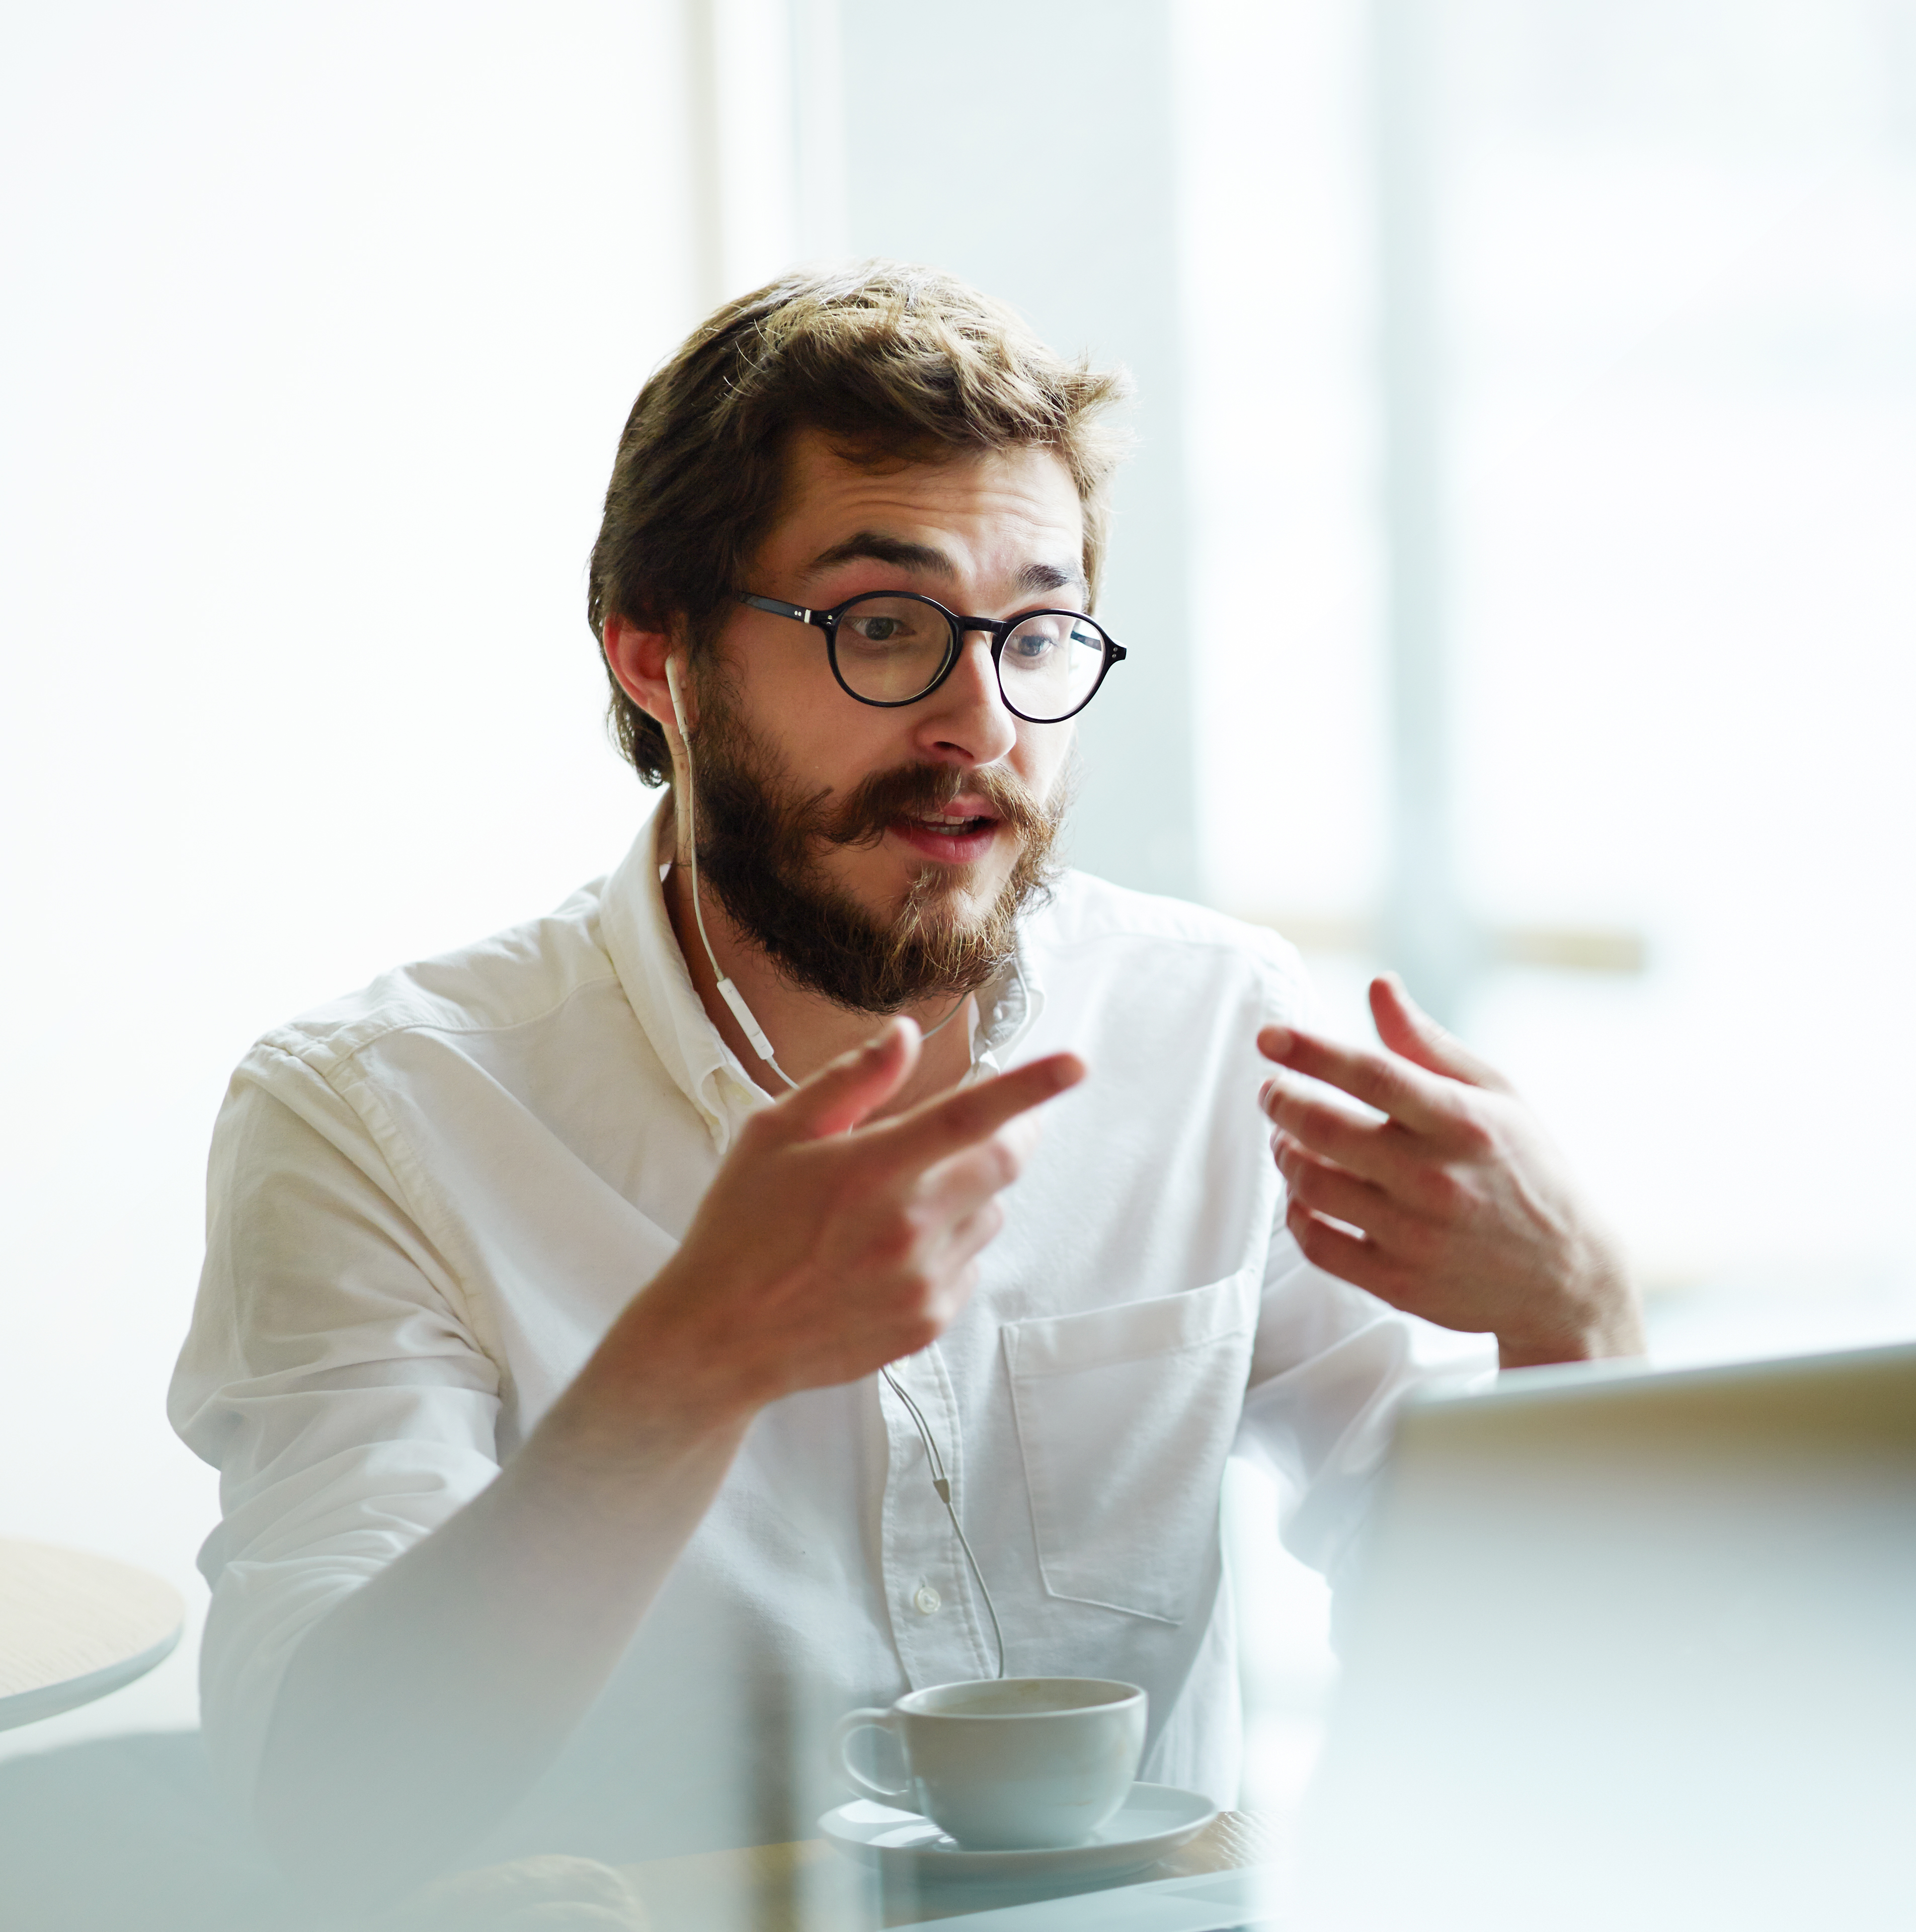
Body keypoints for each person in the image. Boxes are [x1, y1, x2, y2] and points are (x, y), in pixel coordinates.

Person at [168, 262, 1641, 1893]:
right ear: (658, 659)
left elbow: (1511, 1689)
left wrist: (1573, 1328)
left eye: (1040, 629)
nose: (981, 717)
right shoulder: (373, 1119)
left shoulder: (1217, 1029)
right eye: (886, 626)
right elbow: (330, 1806)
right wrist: (691, 1363)